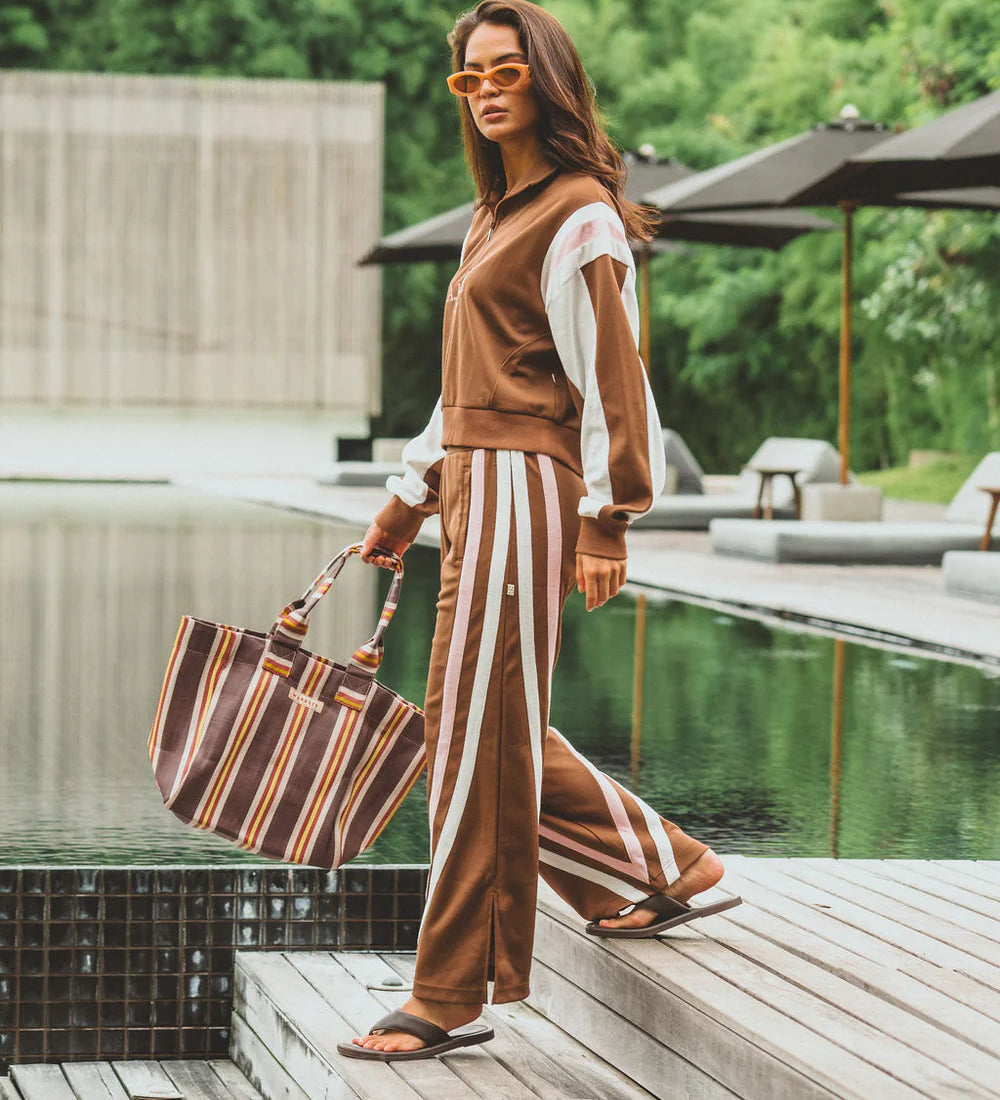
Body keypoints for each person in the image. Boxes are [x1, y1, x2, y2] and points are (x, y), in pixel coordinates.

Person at [338, 0, 740, 1062]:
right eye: (469, 76)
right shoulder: (493, 212)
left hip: (528, 488)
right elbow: (463, 387)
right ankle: (657, 866)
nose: (485, 87)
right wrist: (408, 491)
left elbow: (615, 379)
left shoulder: (580, 214)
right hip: (474, 481)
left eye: (505, 68)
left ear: (547, 78)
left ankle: (449, 989)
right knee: (480, 721)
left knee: (473, 729)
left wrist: (608, 518)